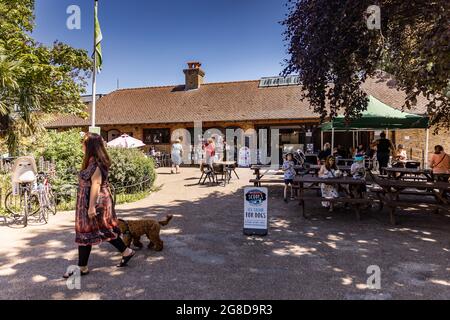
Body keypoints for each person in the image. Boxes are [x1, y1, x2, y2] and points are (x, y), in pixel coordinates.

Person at [63, 133, 135, 279]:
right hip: (96, 200)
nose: (81, 145)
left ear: (90, 146)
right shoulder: (93, 161)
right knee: (102, 229)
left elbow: (96, 184)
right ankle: (126, 252)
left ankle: (82, 267)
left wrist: (91, 207)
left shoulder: (95, 163)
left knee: (87, 231)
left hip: (95, 201)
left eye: (83, 142)